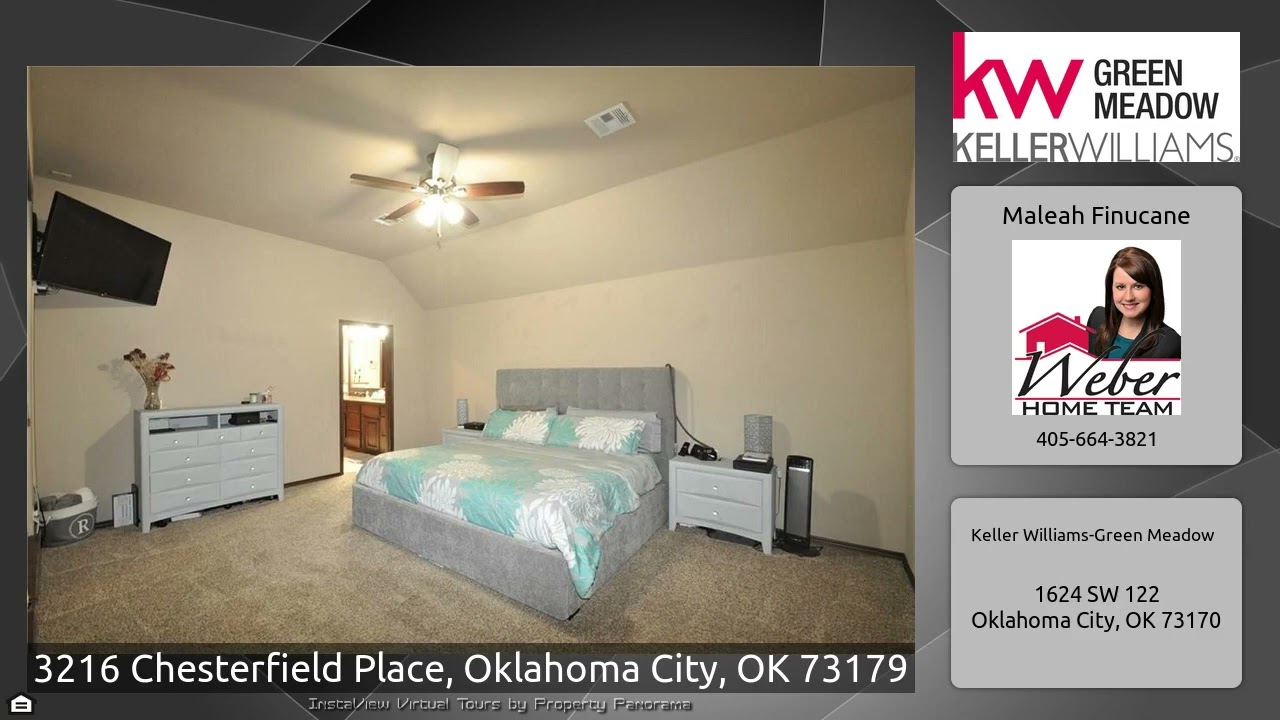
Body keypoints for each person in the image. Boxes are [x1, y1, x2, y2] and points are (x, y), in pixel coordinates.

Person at [1087, 247, 1181, 359]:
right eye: (1120, 287)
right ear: (1110, 289)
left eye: (1138, 286)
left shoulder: (1169, 343)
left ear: (1153, 289)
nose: (1129, 297)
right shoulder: (1097, 319)